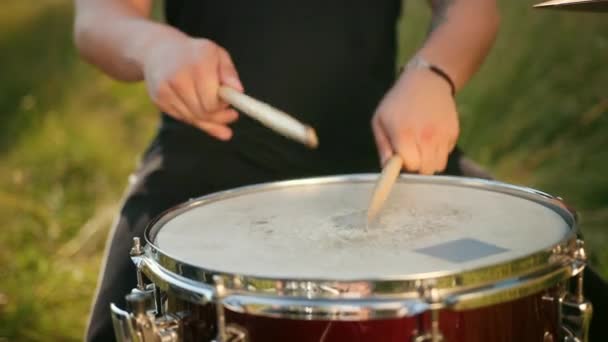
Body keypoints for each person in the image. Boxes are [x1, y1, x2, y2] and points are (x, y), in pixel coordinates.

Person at [73, 0, 605, 341]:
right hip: (203, 163)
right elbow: (98, 18)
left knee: (569, 297)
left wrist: (433, 74)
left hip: (385, 160)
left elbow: (472, 9)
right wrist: (152, 46)